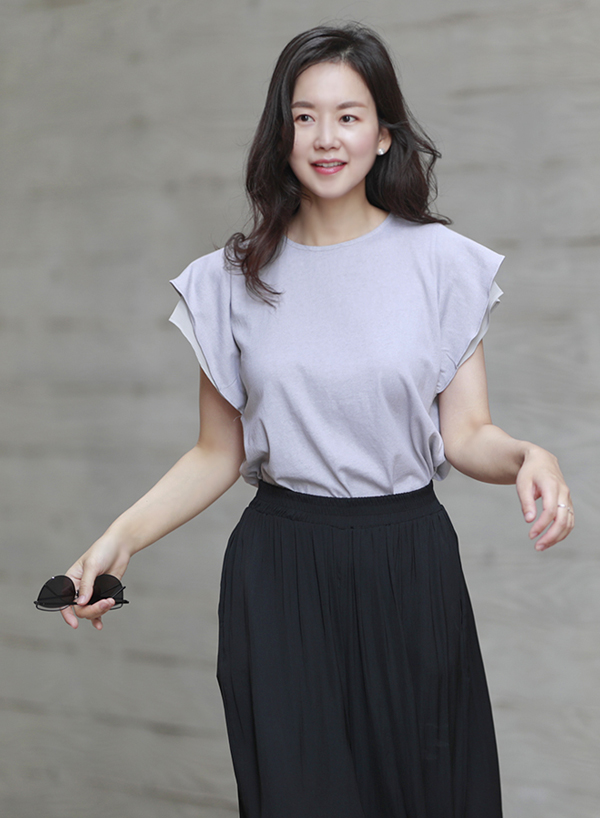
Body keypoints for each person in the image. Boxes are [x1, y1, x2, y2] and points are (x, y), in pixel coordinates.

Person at [56, 23, 574, 818]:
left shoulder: (442, 265)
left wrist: (528, 456)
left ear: (383, 134)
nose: (326, 138)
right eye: (305, 117)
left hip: (409, 566)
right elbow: (216, 453)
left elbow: (468, 434)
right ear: (281, 132)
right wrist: (118, 540)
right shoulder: (230, 280)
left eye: (348, 116)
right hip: (282, 572)